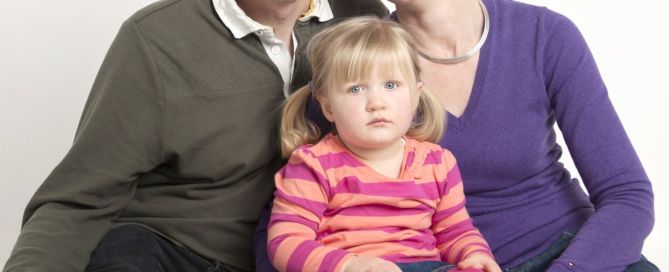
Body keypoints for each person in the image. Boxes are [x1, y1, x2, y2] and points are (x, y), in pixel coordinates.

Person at [255, 0, 659, 271]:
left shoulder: (543, 34)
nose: (376, 100)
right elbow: (282, 223)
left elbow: (628, 195)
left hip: (572, 250)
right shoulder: (356, 66)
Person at [2, 0, 387, 271]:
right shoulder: (157, 38)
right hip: (167, 247)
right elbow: (79, 200)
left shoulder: (360, 22)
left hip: (309, 256)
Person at [267, 17, 501, 272]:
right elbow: (285, 242)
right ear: (328, 106)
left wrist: (475, 253)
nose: (376, 102)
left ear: (415, 97)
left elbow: (455, 230)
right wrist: (348, 266)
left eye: (391, 85)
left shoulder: (437, 163)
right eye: (356, 89)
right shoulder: (314, 166)